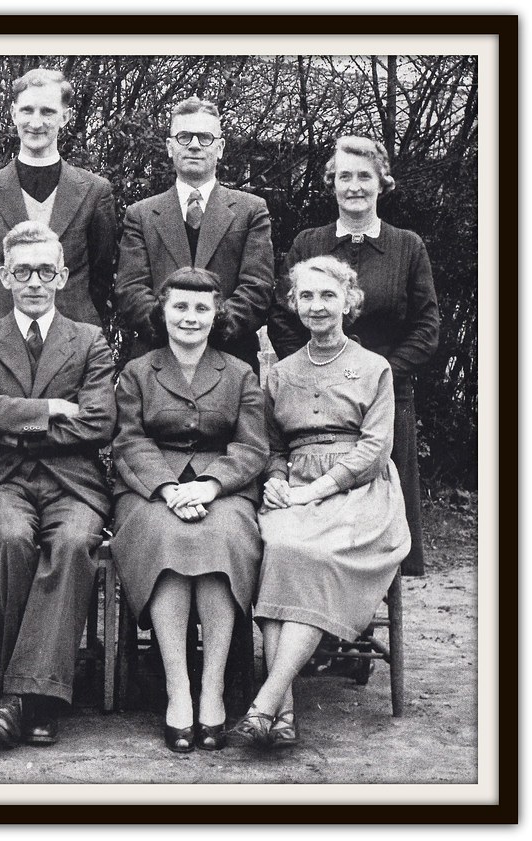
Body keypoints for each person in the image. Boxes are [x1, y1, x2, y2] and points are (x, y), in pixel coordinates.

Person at [230, 255, 411, 751]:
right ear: (293, 304)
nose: (317, 305)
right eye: (306, 296)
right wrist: (274, 479)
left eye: (328, 295)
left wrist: (318, 488)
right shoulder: (281, 373)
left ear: (348, 301)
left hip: (358, 493)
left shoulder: (374, 368)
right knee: (276, 548)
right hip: (295, 489)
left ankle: (267, 703)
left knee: (308, 554)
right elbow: (271, 445)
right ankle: (280, 714)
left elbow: (375, 449)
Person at [0, 220, 117, 748]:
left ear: (63, 275)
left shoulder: (90, 340)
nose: (33, 281)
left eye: (45, 270)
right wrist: (49, 409)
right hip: (0, 477)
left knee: (73, 545)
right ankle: (40, 699)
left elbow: (98, 421)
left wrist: (15, 427)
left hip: (74, 481)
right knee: (8, 541)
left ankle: (21, 699)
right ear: (4, 275)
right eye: (22, 270)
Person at [266, 135, 439, 577]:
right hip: (313, 405)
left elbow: (426, 327)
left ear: (382, 182)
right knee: (309, 527)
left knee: (368, 533)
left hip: (384, 401)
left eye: (365, 176)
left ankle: (355, 611)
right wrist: (313, 372)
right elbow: (284, 317)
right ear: (333, 183)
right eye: (345, 176)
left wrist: (375, 374)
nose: (355, 186)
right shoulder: (310, 242)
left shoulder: (407, 246)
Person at [111, 268, 267, 753]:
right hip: (149, 490)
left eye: (201, 308)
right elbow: (129, 441)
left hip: (225, 489)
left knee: (218, 539)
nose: (190, 317)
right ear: (163, 310)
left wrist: (211, 485)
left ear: (216, 312)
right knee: (169, 538)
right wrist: (168, 488)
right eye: (180, 306)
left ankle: (212, 688)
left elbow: (253, 446)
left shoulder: (239, 372)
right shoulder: (139, 370)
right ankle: (178, 689)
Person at [114, 96, 274, 371]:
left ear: (221, 147)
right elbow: (130, 289)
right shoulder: (140, 214)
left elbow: (257, 288)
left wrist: (207, 329)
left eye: (205, 137)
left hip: (231, 361)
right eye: (184, 136)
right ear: (169, 146)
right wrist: (175, 331)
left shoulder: (251, 210)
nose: (195, 145)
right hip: (156, 362)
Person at [0, 67, 117, 328]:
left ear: (65, 117)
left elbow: (101, 276)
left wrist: (78, 323)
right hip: (0, 336)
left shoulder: (95, 191)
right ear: (13, 113)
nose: (36, 122)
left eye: (48, 112)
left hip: (74, 336)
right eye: (27, 110)